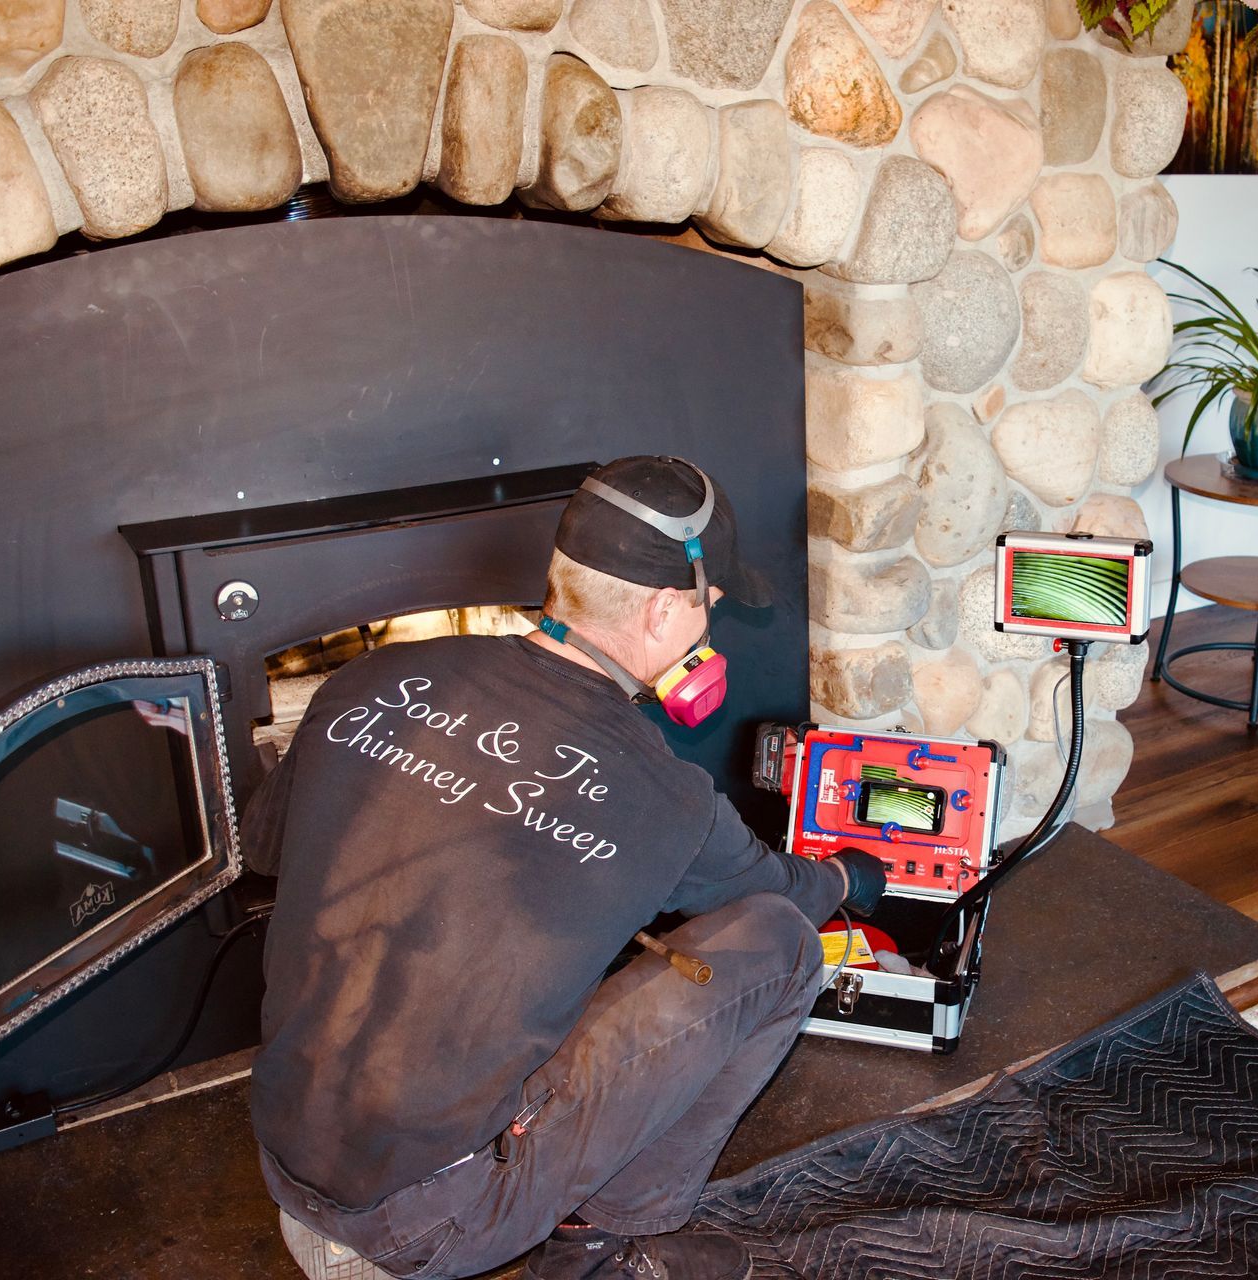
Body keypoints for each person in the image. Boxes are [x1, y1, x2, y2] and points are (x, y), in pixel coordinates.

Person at [243, 456, 886, 1280]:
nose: (708, 628)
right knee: (782, 945)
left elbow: (266, 850)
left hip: (288, 1162)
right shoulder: (665, 795)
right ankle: (606, 1242)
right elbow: (781, 894)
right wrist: (849, 879)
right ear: (662, 611)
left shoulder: (370, 681)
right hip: (435, 1227)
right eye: (708, 608)